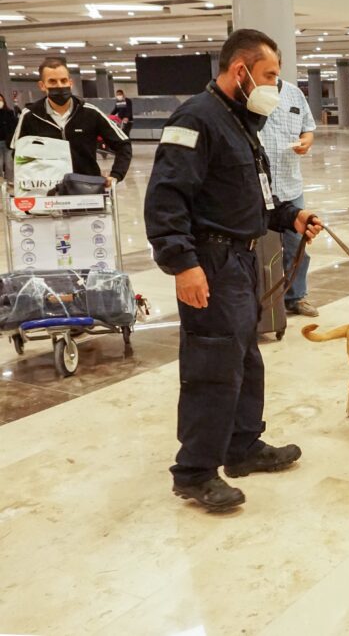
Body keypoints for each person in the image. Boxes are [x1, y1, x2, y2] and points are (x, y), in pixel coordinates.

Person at [144, 29, 323, 511]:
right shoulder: (195, 119)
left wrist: (290, 216)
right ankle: (195, 471)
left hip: (241, 259)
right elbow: (166, 197)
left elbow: (251, 195)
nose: (275, 86)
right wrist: (183, 264)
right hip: (211, 261)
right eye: (269, 76)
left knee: (245, 358)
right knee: (212, 364)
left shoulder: (239, 120)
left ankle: (242, 446)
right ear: (240, 71)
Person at [11, 57, 131, 187]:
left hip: (87, 189)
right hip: (47, 192)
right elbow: (17, 152)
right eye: (52, 81)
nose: (60, 86)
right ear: (42, 85)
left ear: (70, 82)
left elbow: (123, 144)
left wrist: (116, 175)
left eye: (63, 80)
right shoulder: (30, 115)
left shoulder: (90, 112)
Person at [260, 75, 318, 317]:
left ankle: (297, 296)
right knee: (258, 250)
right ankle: (261, 302)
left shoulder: (294, 94)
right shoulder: (250, 96)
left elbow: (309, 129)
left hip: (290, 185)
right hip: (259, 187)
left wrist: (305, 142)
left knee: (297, 245)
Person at [0, 93, 17, 184]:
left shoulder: (9, 112)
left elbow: (14, 126)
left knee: (9, 164)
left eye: (1, 100)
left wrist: (12, 138)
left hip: (8, 142)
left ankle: (10, 183)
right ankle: (1, 183)